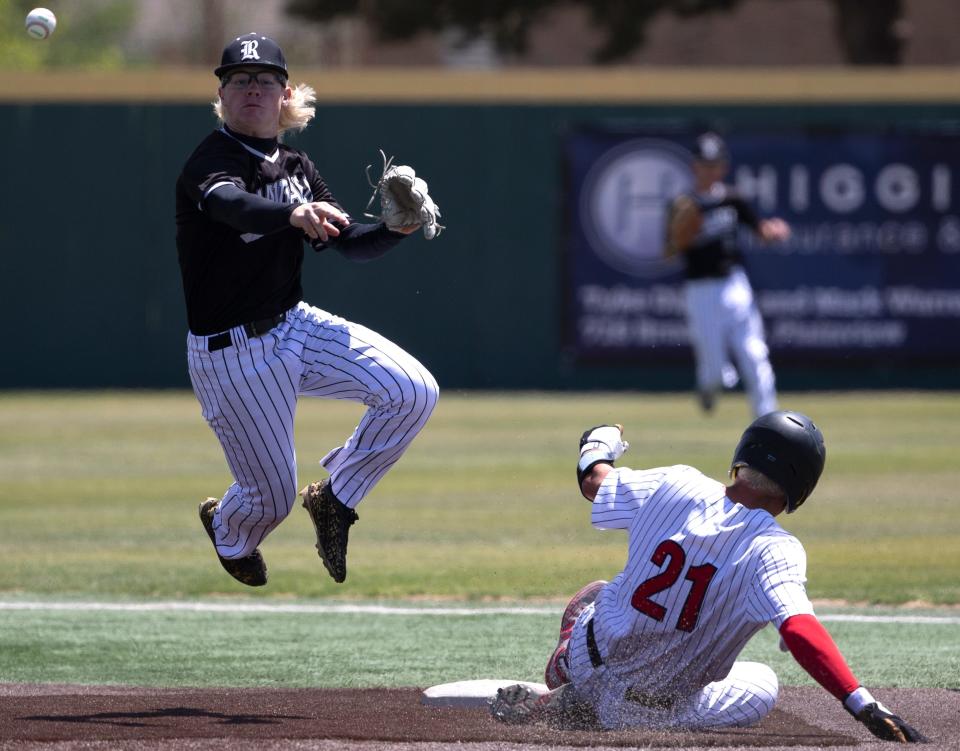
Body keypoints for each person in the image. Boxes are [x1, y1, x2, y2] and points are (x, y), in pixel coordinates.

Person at [175, 33, 439, 588]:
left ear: (284, 92)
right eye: (238, 80)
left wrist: (395, 230)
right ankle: (228, 527)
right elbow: (232, 206)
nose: (251, 89)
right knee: (268, 499)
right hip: (232, 353)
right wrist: (293, 214)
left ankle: (335, 501)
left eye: (263, 80)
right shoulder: (210, 161)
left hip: (294, 323)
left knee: (413, 391)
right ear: (221, 95)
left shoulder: (296, 163)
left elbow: (349, 242)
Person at [490, 415, 928, 744]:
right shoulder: (776, 548)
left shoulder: (677, 482)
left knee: (604, 594)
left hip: (595, 657)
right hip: (649, 713)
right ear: (802, 487)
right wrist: (861, 703)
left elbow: (593, 481)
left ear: (743, 455)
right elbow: (797, 628)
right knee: (762, 686)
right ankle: (587, 695)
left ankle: (571, 658)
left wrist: (598, 441)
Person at [665, 132, 790, 418]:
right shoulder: (682, 205)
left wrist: (774, 231)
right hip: (700, 290)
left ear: (723, 167)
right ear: (694, 167)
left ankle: (768, 422)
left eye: (714, 164)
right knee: (716, 373)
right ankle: (708, 386)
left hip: (734, 284)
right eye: (703, 164)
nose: (709, 170)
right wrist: (680, 237)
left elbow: (761, 231)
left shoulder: (733, 200)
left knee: (755, 355)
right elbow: (668, 252)